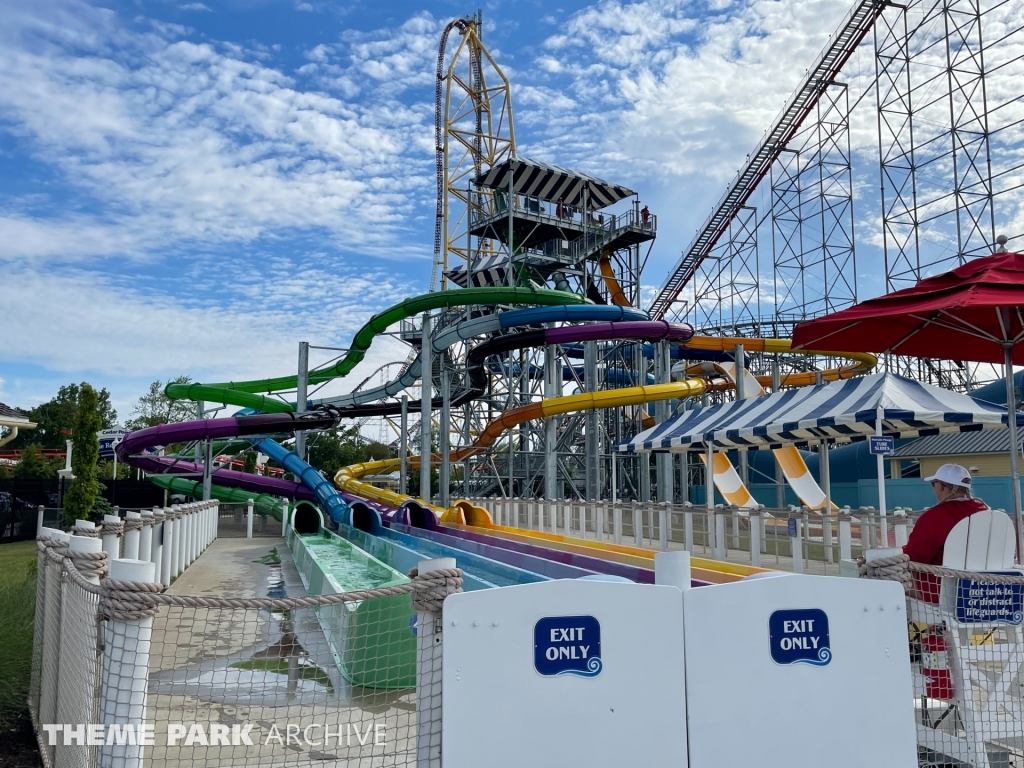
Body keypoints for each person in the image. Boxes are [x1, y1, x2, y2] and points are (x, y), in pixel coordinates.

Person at [902, 463, 988, 602]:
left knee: (888, 580)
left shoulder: (935, 517)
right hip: (988, 591)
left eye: (933, 484)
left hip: (943, 593)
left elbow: (914, 557)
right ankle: (940, 625)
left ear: (941, 486)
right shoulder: (986, 512)